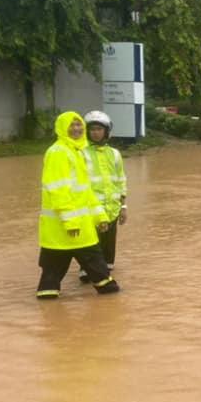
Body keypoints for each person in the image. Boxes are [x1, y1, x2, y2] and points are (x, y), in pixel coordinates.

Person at [36, 112, 119, 299]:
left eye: (79, 125)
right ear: (62, 129)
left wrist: (100, 216)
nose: (76, 129)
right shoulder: (58, 153)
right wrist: (70, 221)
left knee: (52, 280)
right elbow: (57, 190)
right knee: (56, 275)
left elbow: (85, 191)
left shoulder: (76, 151)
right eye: (71, 126)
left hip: (76, 228)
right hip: (65, 227)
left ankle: (49, 310)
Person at [81, 111, 128, 281]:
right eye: (92, 129)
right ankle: (87, 271)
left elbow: (121, 180)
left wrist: (123, 207)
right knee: (91, 243)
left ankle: (106, 271)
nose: (95, 132)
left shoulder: (115, 154)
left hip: (112, 208)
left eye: (99, 129)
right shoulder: (81, 153)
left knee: (109, 248)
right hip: (91, 209)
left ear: (106, 131)